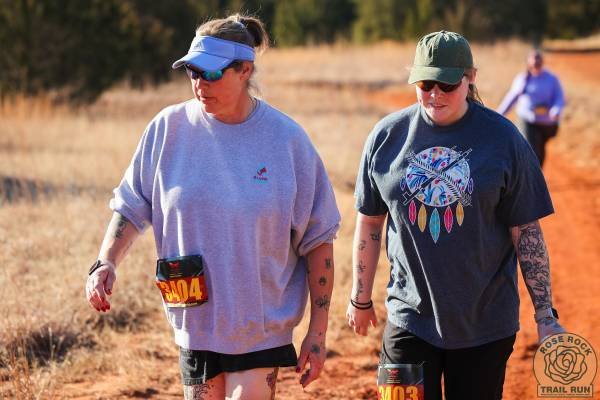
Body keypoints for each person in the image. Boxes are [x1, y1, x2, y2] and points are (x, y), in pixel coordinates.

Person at [85, 13, 340, 400]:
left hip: (259, 324)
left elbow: (318, 239)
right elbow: (132, 204)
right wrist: (106, 261)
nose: (200, 84)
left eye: (213, 73)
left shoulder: (286, 140)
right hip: (195, 321)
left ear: (244, 70)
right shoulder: (167, 130)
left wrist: (317, 333)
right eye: (193, 72)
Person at [346, 31, 566, 400]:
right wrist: (360, 297)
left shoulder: (503, 140)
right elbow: (369, 222)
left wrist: (545, 315)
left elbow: (526, 232)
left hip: (485, 324)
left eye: (447, 84)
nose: (435, 94)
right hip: (408, 318)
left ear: (470, 78)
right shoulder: (386, 137)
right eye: (425, 84)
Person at [497, 49, 565, 167]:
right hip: (528, 121)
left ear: (542, 62)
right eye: (533, 61)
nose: (536, 63)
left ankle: (537, 174)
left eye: (538, 59)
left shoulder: (552, 79)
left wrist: (556, 110)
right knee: (532, 149)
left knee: (540, 149)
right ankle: (530, 174)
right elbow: (512, 98)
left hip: (547, 124)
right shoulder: (523, 79)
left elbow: (559, 97)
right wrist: (499, 114)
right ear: (528, 63)